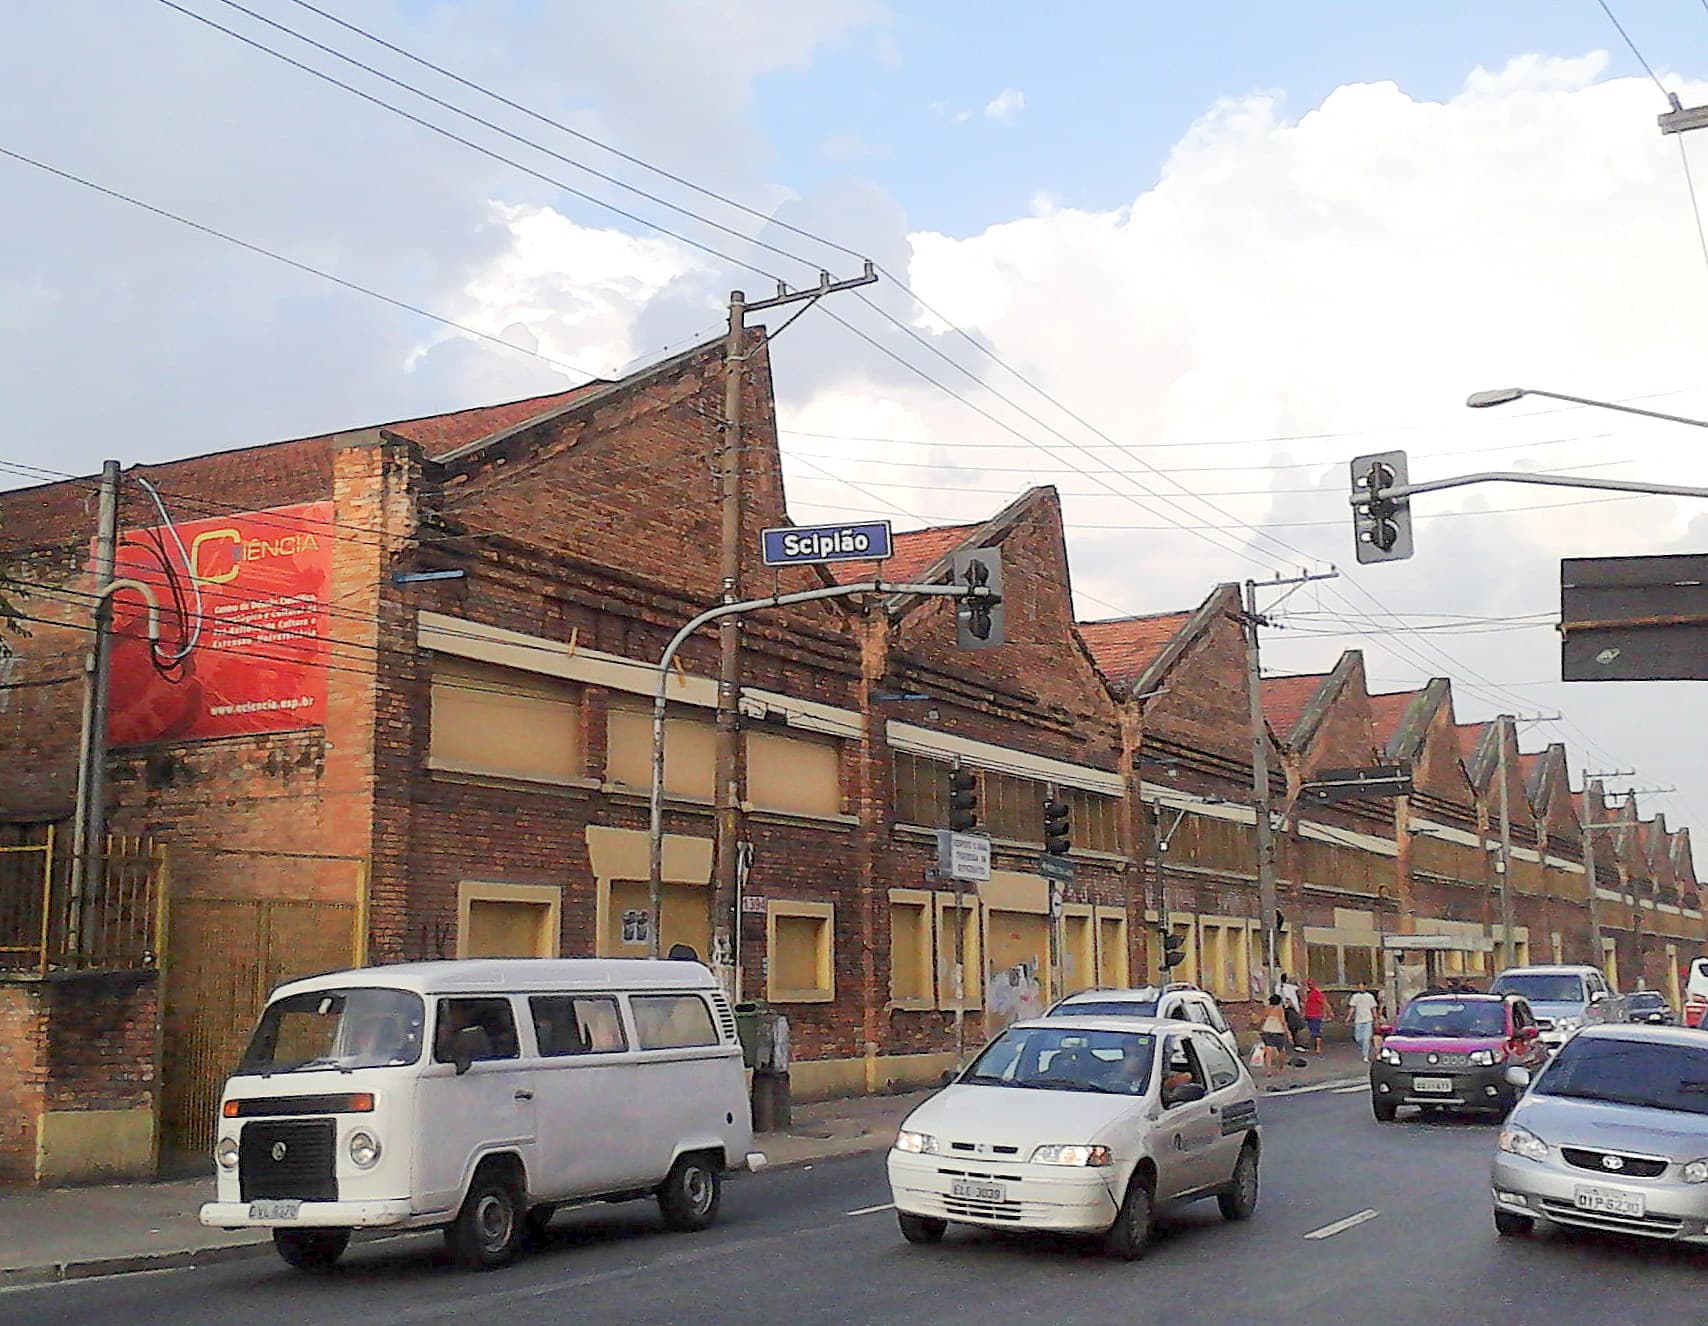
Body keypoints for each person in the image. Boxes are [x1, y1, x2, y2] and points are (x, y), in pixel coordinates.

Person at [1347, 985, 1381, 1062]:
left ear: (1365, 987)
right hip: (1358, 1020)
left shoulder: (1370, 997)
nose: (1361, 988)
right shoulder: (1355, 997)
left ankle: (1365, 1055)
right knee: (1358, 1038)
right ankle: (1365, 1047)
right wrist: (1348, 1017)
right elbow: (1352, 1008)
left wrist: (1376, 1018)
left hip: (1368, 1020)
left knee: (1366, 1039)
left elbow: (1373, 1008)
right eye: (1359, 987)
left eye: (1362, 987)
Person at [1259, 995, 1290, 1075]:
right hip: (1278, 1031)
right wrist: (1288, 1033)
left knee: (1268, 1050)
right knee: (1282, 1050)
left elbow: (1263, 1019)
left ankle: (1268, 1070)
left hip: (1267, 1030)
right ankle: (1281, 1066)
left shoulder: (1267, 1008)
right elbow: (1283, 1021)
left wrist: (1260, 1028)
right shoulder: (1279, 1009)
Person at [1303, 978, 1330, 1053]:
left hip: (1316, 1015)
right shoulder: (1308, 993)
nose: (1309, 986)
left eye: (1310, 984)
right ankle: (1313, 1045)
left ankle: (1318, 1047)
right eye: (1308, 984)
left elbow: (1324, 1002)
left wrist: (1328, 1012)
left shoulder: (1317, 993)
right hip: (1309, 1015)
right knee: (1312, 1031)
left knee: (1316, 1031)